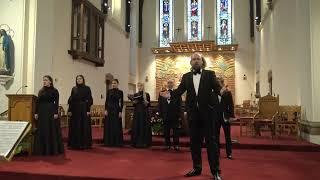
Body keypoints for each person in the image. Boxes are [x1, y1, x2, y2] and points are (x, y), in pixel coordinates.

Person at [160, 53, 224, 180]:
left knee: (211, 143)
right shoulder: (186, 77)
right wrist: (169, 95)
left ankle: (215, 171)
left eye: (198, 59)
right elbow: (179, 91)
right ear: (190, 63)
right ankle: (197, 168)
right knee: (194, 143)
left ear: (202, 62)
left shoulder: (210, 74)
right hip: (193, 115)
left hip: (208, 115)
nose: (195, 61)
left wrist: (223, 92)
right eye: (193, 59)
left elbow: (218, 89)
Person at [33, 75, 64, 155]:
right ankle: (41, 149)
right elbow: (38, 102)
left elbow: (56, 103)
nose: (44, 81)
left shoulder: (54, 91)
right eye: (43, 80)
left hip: (50, 111)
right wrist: (36, 112)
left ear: (50, 81)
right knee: (42, 129)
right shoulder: (41, 91)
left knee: (50, 129)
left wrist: (56, 113)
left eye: (46, 80)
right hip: (42, 112)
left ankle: (51, 149)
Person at [68, 75, 93, 149]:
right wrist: (69, 110)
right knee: (75, 126)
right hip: (75, 110)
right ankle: (75, 144)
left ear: (83, 80)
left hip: (84, 109)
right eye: (77, 79)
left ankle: (84, 144)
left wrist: (88, 110)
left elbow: (90, 100)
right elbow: (71, 100)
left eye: (80, 79)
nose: (78, 80)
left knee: (83, 126)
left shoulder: (87, 88)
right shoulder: (74, 89)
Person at [158, 79, 182, 151]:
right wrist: (161, 114)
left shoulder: (177, 92)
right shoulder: (162, 93)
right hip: (165, 115)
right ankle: (167, 145)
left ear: (173, 84)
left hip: (174, 115)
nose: (170, 84)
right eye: (168, 83)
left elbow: (179, 104)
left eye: (171, 83)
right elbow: (160, 105)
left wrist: (179, 114)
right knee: (166, 131)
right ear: (166, 84)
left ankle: (176, 145)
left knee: (175, 131)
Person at [216, 77, 234, 160]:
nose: (217, 83)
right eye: (217, 82)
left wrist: (231, 116)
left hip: (225, 116)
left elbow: (231, 105)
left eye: (219, 82)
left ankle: (229, 153)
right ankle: (217, 152)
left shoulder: (227, 92)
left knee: (227, 136)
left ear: (222, 83)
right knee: (216, 136)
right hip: (216, 116)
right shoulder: (214, 92)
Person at [129, 82, 152, 148]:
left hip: (144, 112)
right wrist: (134, 102)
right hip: (137, 112)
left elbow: (149, 105)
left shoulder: (147, 94)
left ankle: (144, 143)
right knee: (137, 126)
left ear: (143, 86)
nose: (140, 87)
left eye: (141, 85)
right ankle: (136, 142)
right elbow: (133, 104)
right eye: (138, 86)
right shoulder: (135, 94)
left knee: (143, 126)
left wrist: (146, 102)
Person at [104, 79, 124, 147]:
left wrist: (120, 111)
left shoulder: (120, 92)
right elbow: (106, 101)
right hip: (109, 110)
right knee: (109, 125)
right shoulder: (109, 91)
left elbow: (121, 103)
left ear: (117, 84)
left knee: (116, 125)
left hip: (116, 109)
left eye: (115, 83)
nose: (113, 84)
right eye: (112, 83)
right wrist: (106, 110)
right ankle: (109, 142)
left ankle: (117, 142)